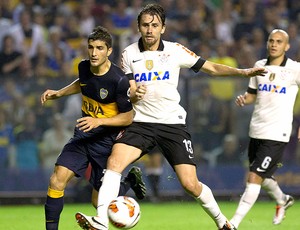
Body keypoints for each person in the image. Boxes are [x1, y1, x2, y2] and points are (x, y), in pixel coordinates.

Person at [75, 4, 266, 230]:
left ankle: (223, 222)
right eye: (145, 25)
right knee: (114, 163)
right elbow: (129, 91)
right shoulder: (128, 54)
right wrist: (134, 94)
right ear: (138, 27)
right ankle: (101, 221)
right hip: (141, 123)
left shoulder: (175, 51)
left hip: (172, 124)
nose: (149, 30)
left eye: (154, 25)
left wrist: (242, 72)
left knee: (190, 184)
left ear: (163, 28)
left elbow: (211, 68)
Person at [40, 26, 146, 230]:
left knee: (98, 204)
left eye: (99, 48)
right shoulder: (83, 66)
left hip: (106, 144)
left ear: (109, 51)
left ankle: (129, 182)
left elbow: (127, 117)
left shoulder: (119, 80)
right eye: (91, 47)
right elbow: (83, 83)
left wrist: (99, 121)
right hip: (82, 138)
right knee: (56, 181)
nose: (94, 53)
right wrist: (59, 93)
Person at [229, 29, 296, 229]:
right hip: (256, 129)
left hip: (278, 132)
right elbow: (252, 94)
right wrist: (244, 99)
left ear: (287, 46)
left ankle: (233, 223)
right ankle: (282, 199)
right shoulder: (259, 66)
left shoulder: (295, 69)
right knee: (263, 176)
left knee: (254, 176)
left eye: (279, 41)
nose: (274, 44)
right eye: (271, 40)